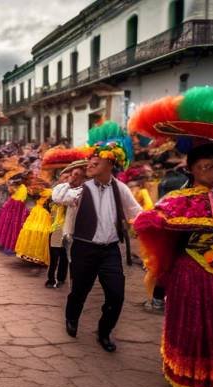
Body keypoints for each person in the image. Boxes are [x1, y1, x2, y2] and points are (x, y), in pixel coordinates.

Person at [128, 86, 213, 387]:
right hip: (194, 275)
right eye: (206, 165)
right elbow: (147, 222)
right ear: (194, 169)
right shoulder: (180, 199)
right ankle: (199, 383)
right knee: (199, 329)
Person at [53, 122, 142, 352]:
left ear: (111, 163)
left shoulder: (120, 188)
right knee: (79, 291)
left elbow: (137, 213)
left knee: (116, 295)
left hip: (110, 250)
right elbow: (59, 197)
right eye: (90, 158)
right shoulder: (82, 188)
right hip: (83, 249)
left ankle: (104, 332)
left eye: (97, 159)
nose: (91, 162)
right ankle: (71, 318)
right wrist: (69, 181)